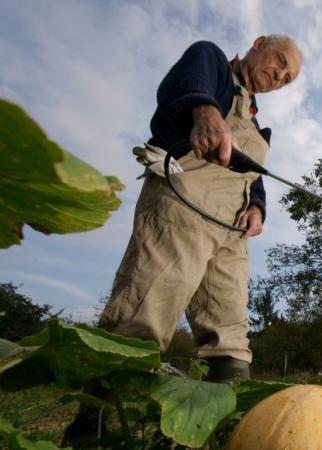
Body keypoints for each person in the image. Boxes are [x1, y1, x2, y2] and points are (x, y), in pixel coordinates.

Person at [62, 35, 302, 446]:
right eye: (279, 62)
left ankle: (223, 431)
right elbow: (188, 82)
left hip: (230, 235)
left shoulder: (258, 127)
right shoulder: (211, 67)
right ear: (258, 44)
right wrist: (205, 111)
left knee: (230, 334)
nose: (280, 75)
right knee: (144, 312)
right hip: (182, 207)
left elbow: (253, 179)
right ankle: (98, 433)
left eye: (287, 78)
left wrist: (257, 208)